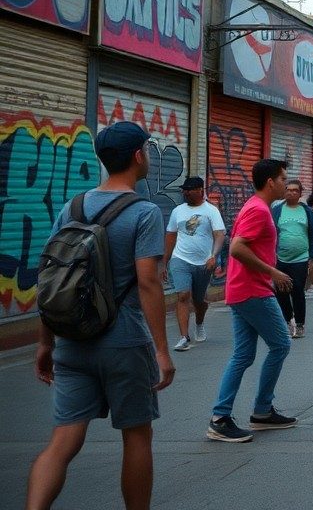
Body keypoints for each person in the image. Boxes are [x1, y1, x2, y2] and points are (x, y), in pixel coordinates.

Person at [25, 122, 174, 510]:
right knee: (137, 436)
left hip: (71, 342)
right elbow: (148, 283)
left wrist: (45, 341)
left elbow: (52, 277)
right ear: (138, 156)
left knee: (62, 441)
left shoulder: (72, 207)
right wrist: (162, 350)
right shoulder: (144, 212)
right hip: (124, 341)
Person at [206, 160, 295, 442]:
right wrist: (273, 272)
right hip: (253, 290)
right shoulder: (258, 209)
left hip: (243, 289)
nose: (286, 183)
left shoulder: (257, 207)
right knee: (281, 344)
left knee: (243, 355)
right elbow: (237, 248)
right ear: (270, 182)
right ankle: (259, 409)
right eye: (283, 179)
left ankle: (226, 415)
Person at [164, 176, 225, 352]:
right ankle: (184, 337)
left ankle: (199, 322)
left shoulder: (211, 211)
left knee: (199, 300)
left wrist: (213, 255)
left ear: (200, 190)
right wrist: (165, 261)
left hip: (204, 263)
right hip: (180, 259)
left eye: (189, 190)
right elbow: (170, 236)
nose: (185, 193)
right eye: (184, 190)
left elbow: (219, 234)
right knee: (183, 295)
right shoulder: (178, 211)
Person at [271, 180, 313, 338]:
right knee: (281, 291)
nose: (291, 193)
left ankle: (299, 324)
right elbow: (270, 234)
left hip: (301, 258)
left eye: (295, 190)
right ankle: (288, 321)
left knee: (297, 290)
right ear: (284, 192)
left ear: (300, 193)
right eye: (288, 190)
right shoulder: (277, 210)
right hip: (280, 259)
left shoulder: (307, 212)